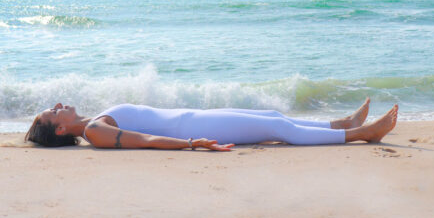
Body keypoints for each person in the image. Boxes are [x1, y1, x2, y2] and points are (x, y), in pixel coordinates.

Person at [24, 98, 398, 151]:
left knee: (271, 117)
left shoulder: (92, 119)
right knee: (278, 131)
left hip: (197, 116)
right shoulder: (93, 132)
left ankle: (339, 123)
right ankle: (362, 133)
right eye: (53, 113)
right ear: (59, 129)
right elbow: (146, 139)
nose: (59, 106)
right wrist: (192, 144)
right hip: (199, 127)